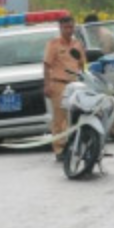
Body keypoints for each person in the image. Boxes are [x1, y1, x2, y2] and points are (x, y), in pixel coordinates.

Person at [43, 14, 85, 161]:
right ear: (60, 28)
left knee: (74, 117)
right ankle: (59, 149)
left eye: (71, 27)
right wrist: (47, 84)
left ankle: (73, 145)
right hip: (59, 84)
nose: (69, 30)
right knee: (59, 119)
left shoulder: (77, 44)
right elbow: (47, 65)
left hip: (75, 85)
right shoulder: (53, 44)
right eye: (66, 27)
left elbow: (81, 65)